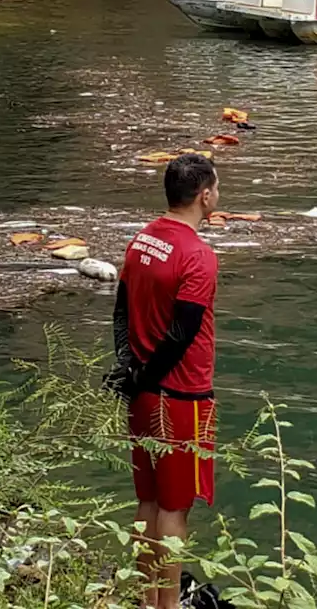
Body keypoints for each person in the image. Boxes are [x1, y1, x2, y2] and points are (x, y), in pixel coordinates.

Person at [109, 153, 221, 609]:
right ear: (204, 195)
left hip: (142, 392)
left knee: (148, 501)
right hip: (182, 395)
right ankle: (169, 605)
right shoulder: (198, 255)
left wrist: (129, 370)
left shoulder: (142, 240)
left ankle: (144, 599)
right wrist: (147, 374)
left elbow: (120, 310)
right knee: (175, 507)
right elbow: (183, 332)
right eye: (217, 187)